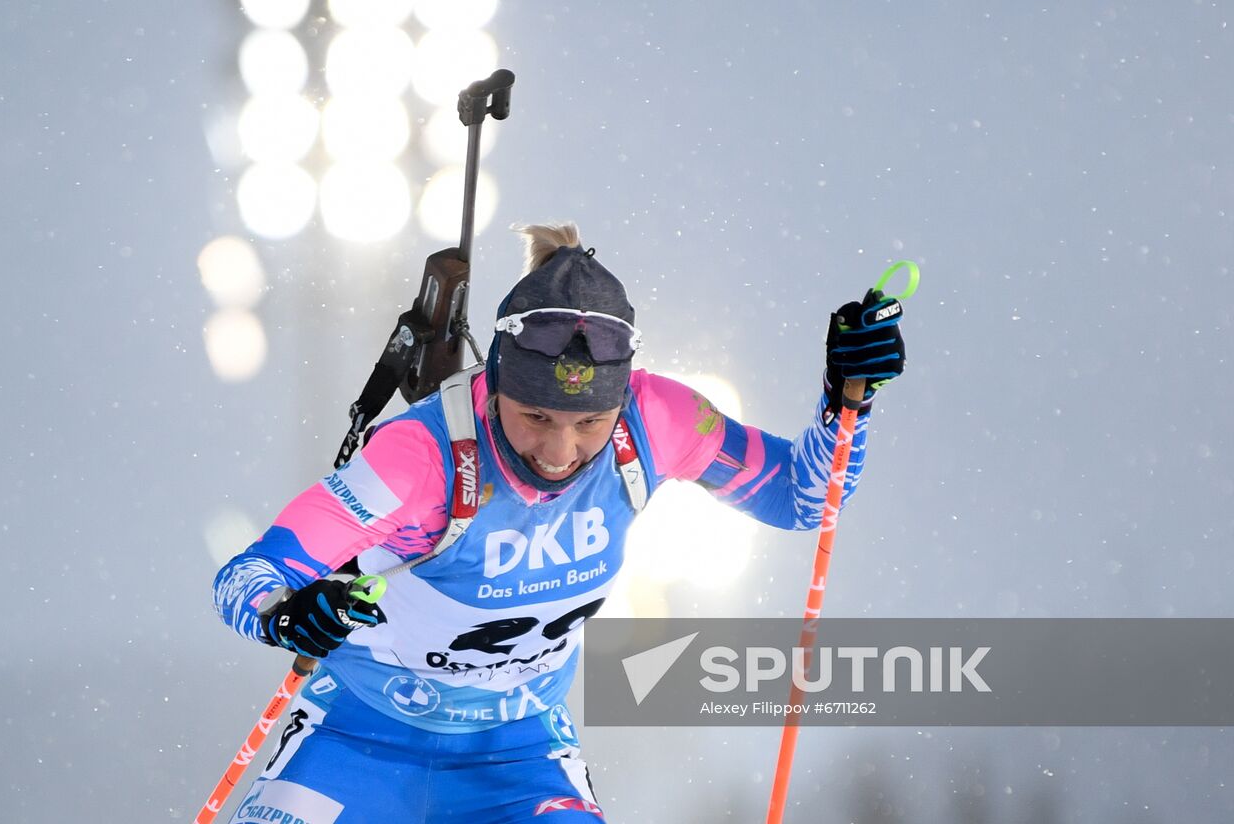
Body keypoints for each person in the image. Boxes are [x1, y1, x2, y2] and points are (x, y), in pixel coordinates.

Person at [212, 222, 906, 823]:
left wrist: (846, 399)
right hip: (358, 741)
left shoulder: (656, 420)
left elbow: (801, 498)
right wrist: (287, 613)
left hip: (519, 760)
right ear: (497, 383)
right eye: (536, 416)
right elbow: (247, 577)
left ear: (621, 399)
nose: (559, 451)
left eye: (589, 423)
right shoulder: (421, 457)